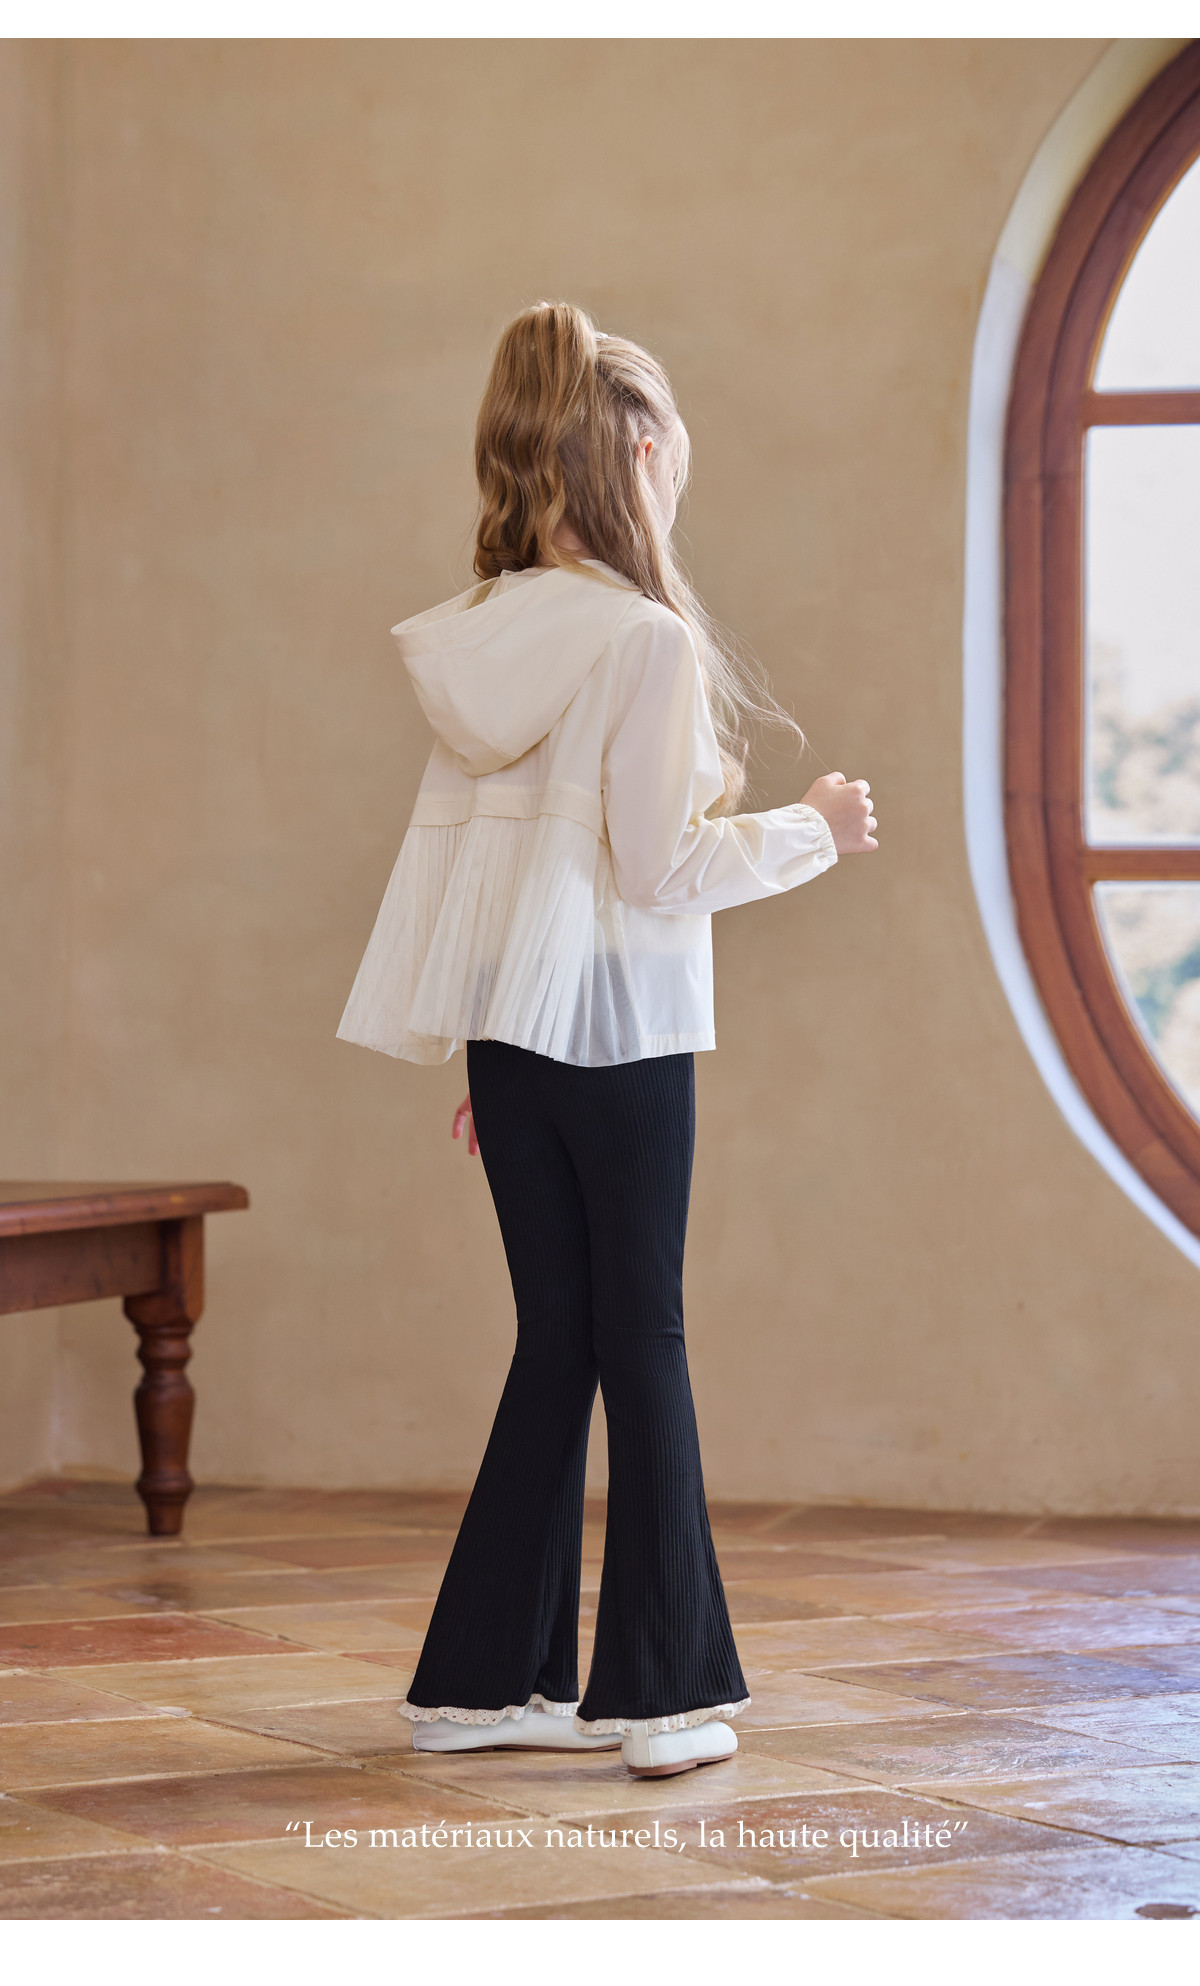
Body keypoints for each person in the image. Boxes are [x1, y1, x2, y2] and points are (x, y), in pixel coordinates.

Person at [337, 302, 877, 1779]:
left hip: (515, 1043)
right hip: (623, 1037)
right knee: (642, 1338)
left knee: (558, 1340)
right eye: (675, 461)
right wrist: (813, 829)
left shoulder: (483, 631)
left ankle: (478, 1686)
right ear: (637, 454)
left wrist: (498, 1044)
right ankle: (663, 1695)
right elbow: (659, 868)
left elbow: (489, 867)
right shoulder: (643, 639)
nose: (676, 485)